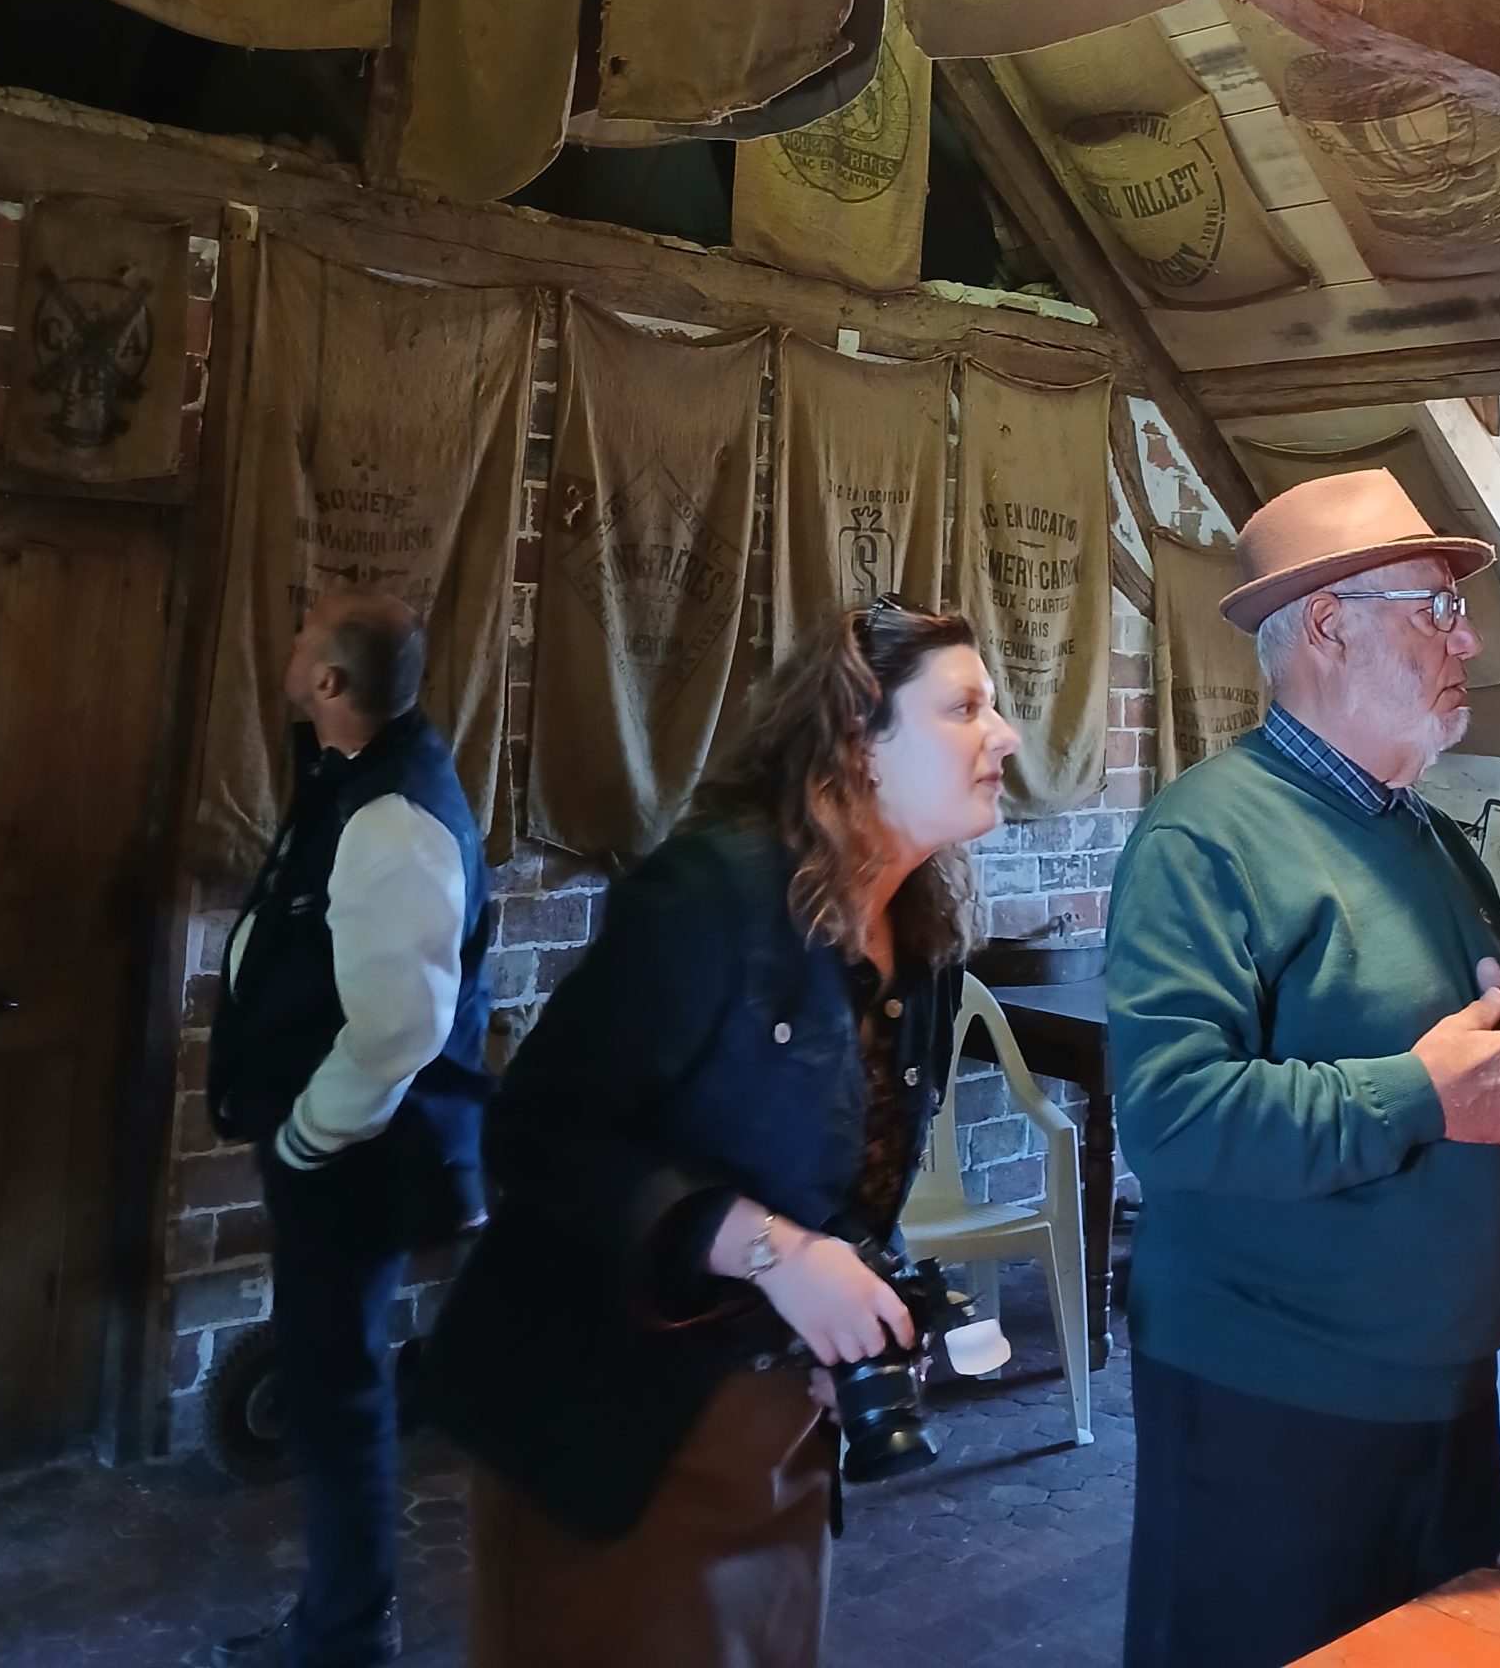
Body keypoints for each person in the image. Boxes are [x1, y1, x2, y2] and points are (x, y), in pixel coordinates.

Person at [422, 602, 1019, 1668]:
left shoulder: (919, 926)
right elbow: (539, 1133)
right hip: (613, 1433)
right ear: (857, 740)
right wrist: (771, 1251)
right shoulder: (715, 891)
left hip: (776, 1435)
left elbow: (843, 1183)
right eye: (964, 708)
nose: (1005, 735)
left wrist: (861, 1310)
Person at [1109, 470, 1500, 1668]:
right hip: (1276, 1393)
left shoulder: (1423, 833)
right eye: (1437, 609)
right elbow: (1173, 1120)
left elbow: (1458, 1073)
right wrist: (1431, 1091)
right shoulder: (1204, 837)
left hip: (1444, 1379)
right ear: (1330, 626)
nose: (1469, 641)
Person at [208, 589, 493, 1668]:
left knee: (338, 1397)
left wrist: (307, 1138)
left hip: (357, 1156)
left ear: (330, 681)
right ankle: (342, 1619)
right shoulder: (360, 777)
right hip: (347, 1149)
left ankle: (346, 1634)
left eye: (304, 640)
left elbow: (398, 1029)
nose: (289, 646)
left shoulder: (392, 815)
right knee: (336, 1387)